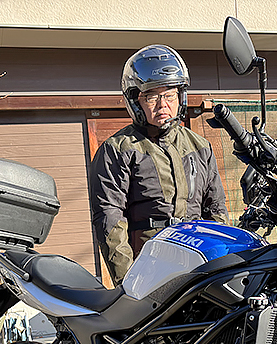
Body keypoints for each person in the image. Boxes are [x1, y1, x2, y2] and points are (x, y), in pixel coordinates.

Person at [89, 44, 228, 284]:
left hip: (199, 265)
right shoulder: (118, 149)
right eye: (151, 96)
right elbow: (109, 218)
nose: (163, 105)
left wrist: (222, 266)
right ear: (135, 101)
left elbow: (216, 210)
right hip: (149, 267)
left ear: (180, 97)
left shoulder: (199, 146)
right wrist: (129, 280)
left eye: (170, 95)